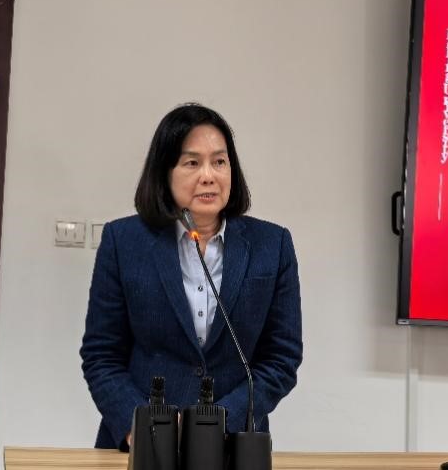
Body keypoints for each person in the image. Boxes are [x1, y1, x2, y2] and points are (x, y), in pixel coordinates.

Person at [80, 103, 302, 450]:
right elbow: (101, 355)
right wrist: (142, 429)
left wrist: (215, 425)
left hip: (233, 446)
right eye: (192, 163)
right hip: (141, 446)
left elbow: (281, 358)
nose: (208, 176)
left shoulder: (272, 246)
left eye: (219, 161)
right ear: (164, 172)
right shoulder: (123, 242)